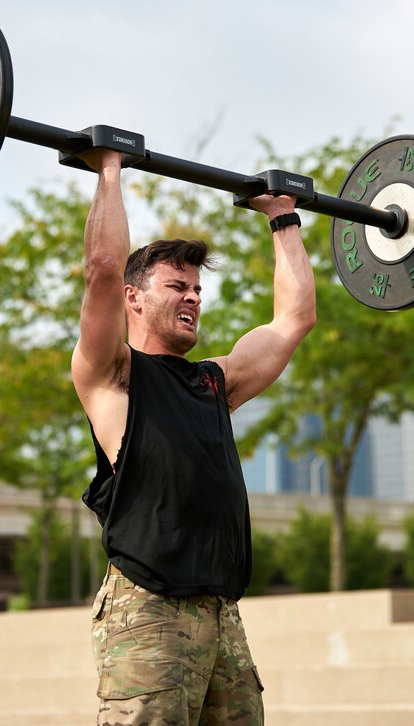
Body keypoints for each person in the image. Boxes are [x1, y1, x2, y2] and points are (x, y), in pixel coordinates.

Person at [72, 148, 315, 724]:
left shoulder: (216, 381)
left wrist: (283, 217)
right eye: (176, 286)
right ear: (134, 298)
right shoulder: (113, 374)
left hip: (221, 614)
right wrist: (109, 167)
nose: (192, 297)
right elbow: (105, 266)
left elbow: (294, 320)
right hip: (149, 610)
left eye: (197, 290)